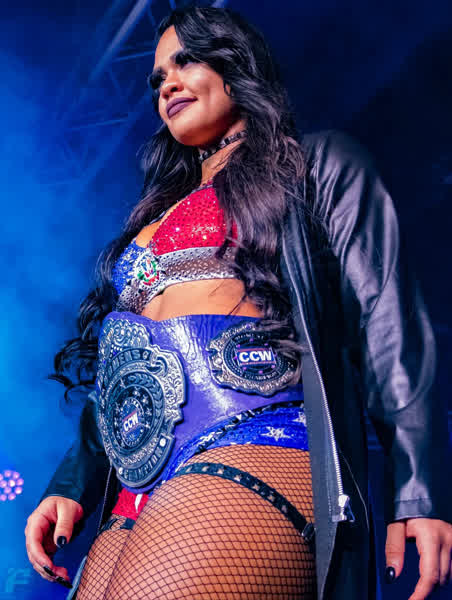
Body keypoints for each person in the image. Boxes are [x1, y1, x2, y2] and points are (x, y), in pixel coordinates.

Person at [24, 6, 452, 600]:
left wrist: (417, 490)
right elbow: (129, 368)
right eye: (157, 79)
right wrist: (71, 483)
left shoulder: (314, 165)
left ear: (237, 65)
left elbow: (387, 319)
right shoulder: (152, 214)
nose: (167, 85)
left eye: (185, 62)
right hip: (136, 490)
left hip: (257, 440)